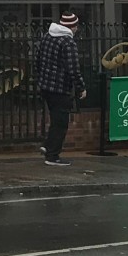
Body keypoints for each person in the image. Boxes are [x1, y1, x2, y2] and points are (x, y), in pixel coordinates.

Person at [32, 10, 86, 166]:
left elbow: (38, 60)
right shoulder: (68, 42)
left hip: (45, 86)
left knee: (56, 120)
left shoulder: (47, 36)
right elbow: (73, 68)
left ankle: (48, 145)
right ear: (73, 26)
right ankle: (52, 156)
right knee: (61, 122)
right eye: (76, 26)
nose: (76, 29)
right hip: (60, 88)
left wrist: (41, 78)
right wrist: (81, 87)